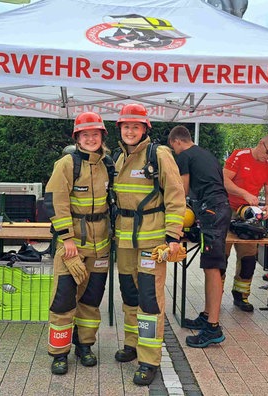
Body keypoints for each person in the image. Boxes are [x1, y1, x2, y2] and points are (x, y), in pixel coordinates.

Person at [112, 103, 186, 386]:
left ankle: (149, 359)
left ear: (145, 129)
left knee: (149, 301)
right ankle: (132, 344)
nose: (130, 131)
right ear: (120, 129)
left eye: (136, 126)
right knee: (129, 296)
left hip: (152, 242)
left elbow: (176, 196)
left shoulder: (160, 155)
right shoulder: (119, 158)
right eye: (126, 126)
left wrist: (173, 237)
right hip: (125, 241)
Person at [44, 112, 112, 375]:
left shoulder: (108, 165)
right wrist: (67, 238)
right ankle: (59, 353)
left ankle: (85, 346)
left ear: (102, 137)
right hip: (72, 245)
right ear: (77, 138)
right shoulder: (66, 164)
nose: (91, 138)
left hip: (101, 245)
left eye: (95, 134)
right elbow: (54, 200)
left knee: (91, 300)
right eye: (86, 134)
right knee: (63, 300)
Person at [168, 125, 231, 348]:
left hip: (212, 211)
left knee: (213, 268)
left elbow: (181, 191)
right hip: (218, 208)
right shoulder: (206, 154)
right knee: (208, 267)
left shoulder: (184, 155)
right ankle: (206, 316)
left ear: (176, 142)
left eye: (173, 149)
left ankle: (213, 328)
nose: (175, 153)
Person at [224, 134, 268, 311]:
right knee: (221, 258)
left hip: (248, 215)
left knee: (248, 258)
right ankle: (215, 297)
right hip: (226, 210)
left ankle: (241, 296)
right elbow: (223, 180)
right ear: (260, 144)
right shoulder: (239, 156)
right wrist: (244, 193)